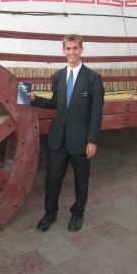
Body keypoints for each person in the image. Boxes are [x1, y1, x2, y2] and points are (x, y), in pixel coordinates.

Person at [29, 34, 104, 232]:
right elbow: (57, 104)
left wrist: (92, 140)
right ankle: (50, 213)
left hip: (81, 140)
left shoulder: (93, 79)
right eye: (68, 49)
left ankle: (77, 214)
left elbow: (96, 113)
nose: (71, 52)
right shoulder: (58, 76)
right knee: (52, 179)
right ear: (63, 51)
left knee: (81, 180)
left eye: (75, 48)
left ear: (81, 49)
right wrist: (35, 99)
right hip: (57, 139)